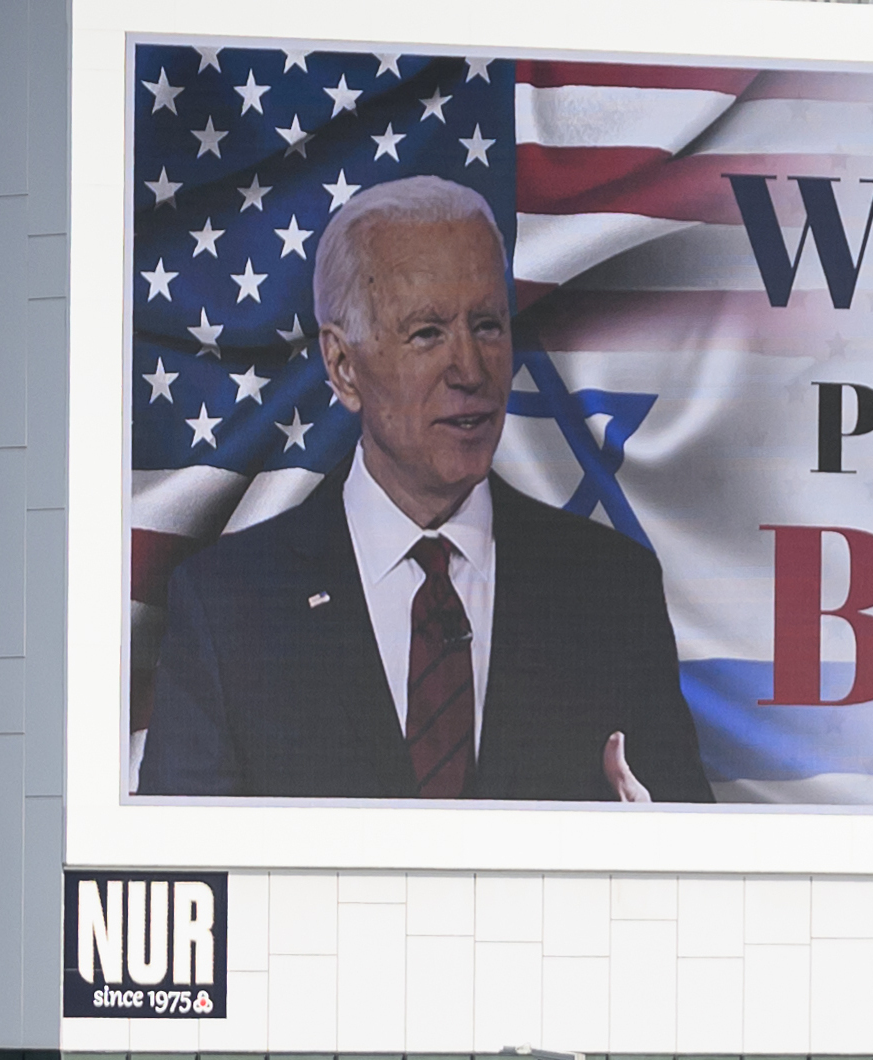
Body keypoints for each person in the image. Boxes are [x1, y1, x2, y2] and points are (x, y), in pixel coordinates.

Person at [137, 178, 714, 802]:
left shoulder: (609, 592)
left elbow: (680, 864)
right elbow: (193, 877)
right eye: (427, 333)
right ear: (343, 367)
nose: (470, 369)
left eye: (488, 326)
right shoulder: (230, 609)